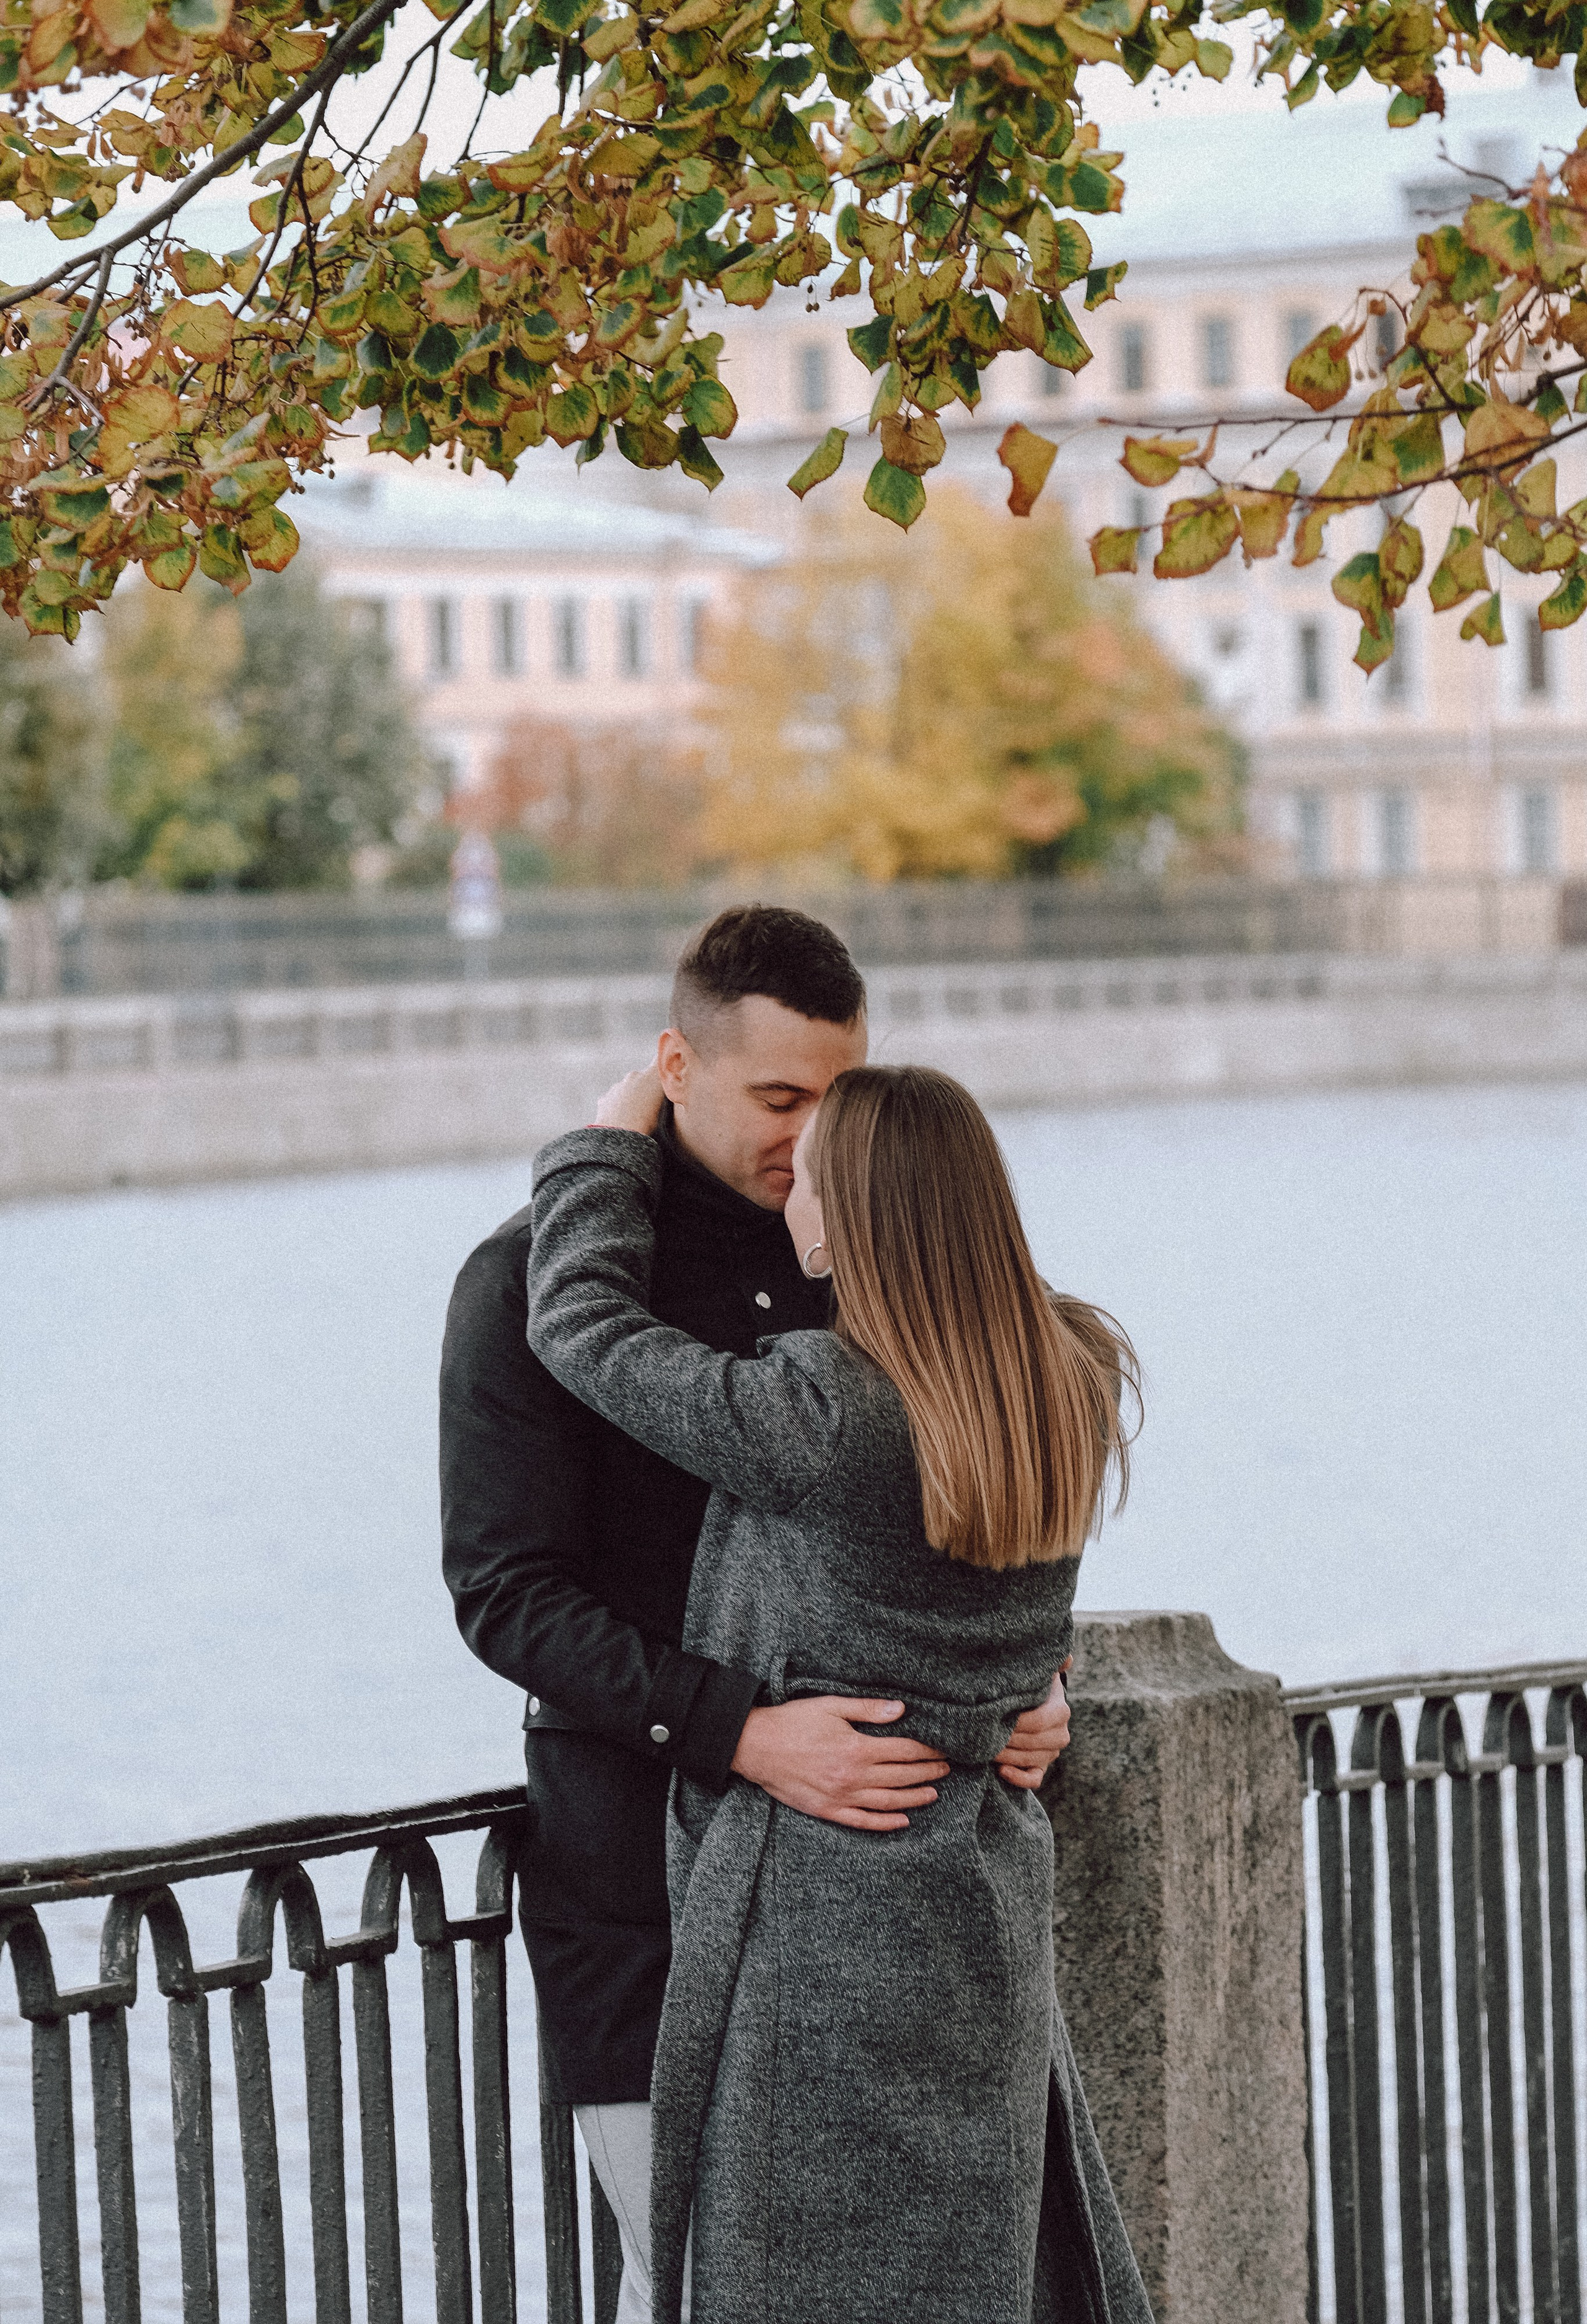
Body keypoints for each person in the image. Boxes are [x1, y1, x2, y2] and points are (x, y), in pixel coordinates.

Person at [440, 906, 1076, 2320]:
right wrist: (743, 1734)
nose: (807, 1138)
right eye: (778, 1098)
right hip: (645, 1894)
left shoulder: (876, 1260)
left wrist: (1030, 1675)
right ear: (678, 1063)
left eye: (834, 1102)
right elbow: (504, 1598)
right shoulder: (528, 1279)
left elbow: (982, 1494)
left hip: (893, 1918)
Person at [525, 1059, 1153, 2324]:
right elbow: (1001, 1607)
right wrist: (1032, 1688)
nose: (789, 1195)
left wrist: (601, 1150)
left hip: (822, 1924)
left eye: (809, 1174)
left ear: (858, 1210)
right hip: (978, 1901)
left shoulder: (825, 1407)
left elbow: (581, 1330)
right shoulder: (1069, 1375)